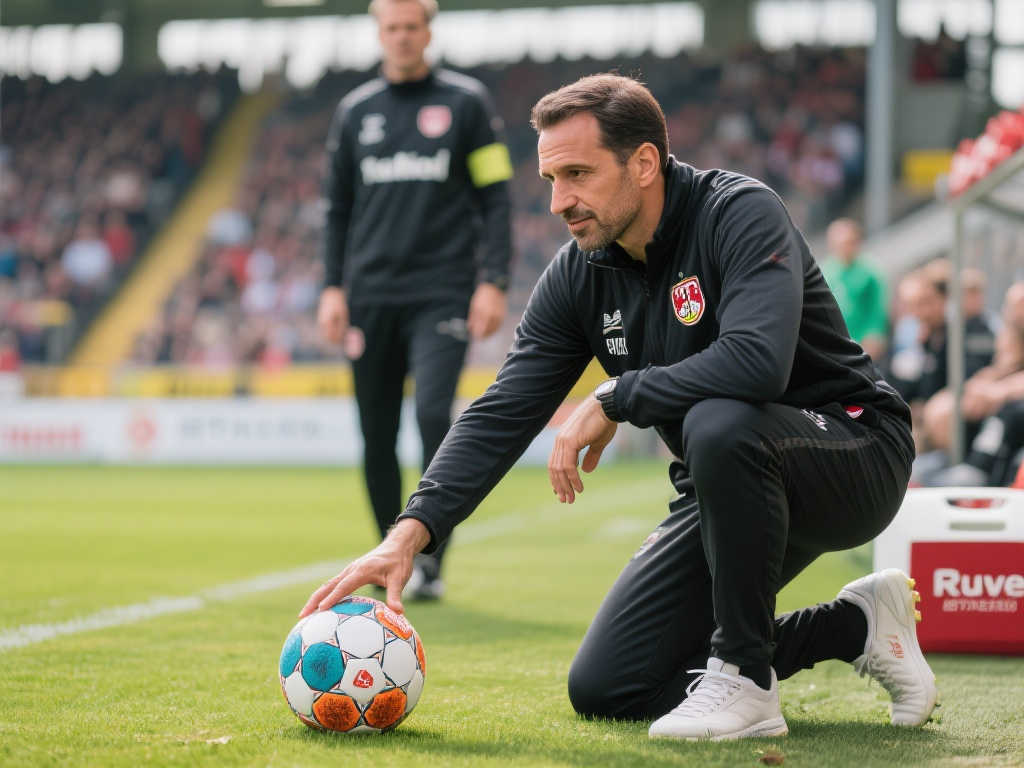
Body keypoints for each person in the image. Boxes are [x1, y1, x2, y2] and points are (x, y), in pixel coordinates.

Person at [303, 75, 936, 741]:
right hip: (725, 484)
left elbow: (757, 362)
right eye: (551, 179)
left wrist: (616, 396)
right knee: (613, 685)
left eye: (577, 174)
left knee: (718, 421)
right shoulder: (579, 273)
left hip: (854, 452)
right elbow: (503, 410)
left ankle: (747, 679)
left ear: (643, 163)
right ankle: (854, 626)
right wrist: (409, 533)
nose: (559, 201)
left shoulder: (738, 211)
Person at [317, 0, 513, 600]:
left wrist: (494, 280)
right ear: (379, 34)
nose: (401, 37)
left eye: (411, 27)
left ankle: (428, 559)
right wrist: (332, 287)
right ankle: (388, 552)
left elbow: (496, 196)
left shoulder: (466, 103)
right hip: (370, 296)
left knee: (433, 415)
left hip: (441, 291)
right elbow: (337, 209)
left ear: (428, 32)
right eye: (391, 28)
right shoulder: (356, 112)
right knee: (376, 433)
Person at [820, 218, 888, 361]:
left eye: (848, 243)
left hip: (865, 343)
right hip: (836, 343)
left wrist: (874, 336)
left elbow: (878, 310)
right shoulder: (825, 272)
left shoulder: (870, 272)